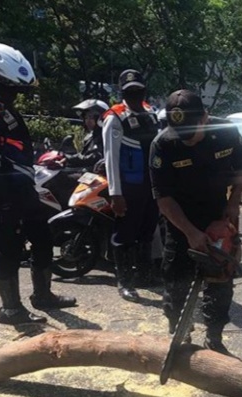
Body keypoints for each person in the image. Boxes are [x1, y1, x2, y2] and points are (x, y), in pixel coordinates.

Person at [0, 43, 76, 325]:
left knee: (42, 238)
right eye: (8, 86)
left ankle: (42, 295)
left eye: (16, 88)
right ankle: (11, 309)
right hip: (6, 195)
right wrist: (4, 201)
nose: (14, 93)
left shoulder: (6, 109)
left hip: (25, 190)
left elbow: (16, 149)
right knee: (7, 248)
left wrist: (43, 159)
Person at [149, 89, 242, 355]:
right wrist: (191, 233)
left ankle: (214, 337)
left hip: (218, 210)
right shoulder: (163, 145)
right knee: (175, 278)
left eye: (190, 132)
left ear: (205, 118)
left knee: (221, 278)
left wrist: (233, 203)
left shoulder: (227, 132)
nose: (187, 140)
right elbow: (164, 199)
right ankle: (178, 331)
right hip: (179, 219)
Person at [102, 69, 160, 301]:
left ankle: (144, 274)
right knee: (124, 235)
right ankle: (124, 281)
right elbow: (110, 158)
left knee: (147, 231)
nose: (135, 95)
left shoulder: (151, 113)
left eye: (138, 90)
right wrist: (116, 194)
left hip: (151, 186)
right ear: (122, 93)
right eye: (130, 91)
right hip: (128, 186)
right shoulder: (114, 117)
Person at [61, 99, 108, 171]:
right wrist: (64, 157)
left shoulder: (104, 136)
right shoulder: (92, 135)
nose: (87, 121)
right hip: (89, 172)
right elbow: (83, 155)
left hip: (99, 174)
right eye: (86, 118)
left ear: (100, 118)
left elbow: (94, 157)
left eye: (91, 117)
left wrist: (67, 158)